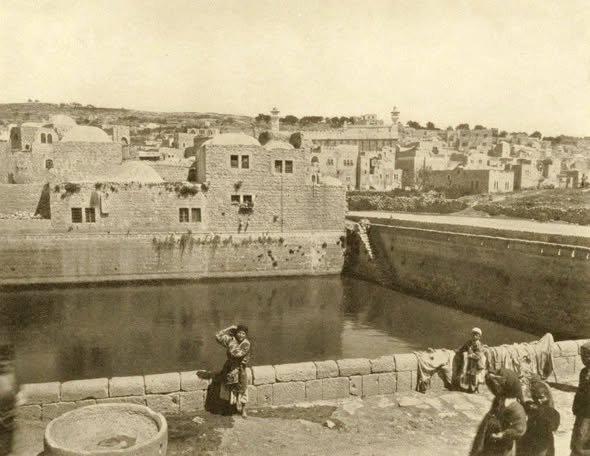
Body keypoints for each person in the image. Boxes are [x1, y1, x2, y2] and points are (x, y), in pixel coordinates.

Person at [470, 368, 527, 456]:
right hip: (489, 439)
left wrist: (503, 434)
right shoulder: (498, 399)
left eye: (500, 386)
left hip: (502, 445)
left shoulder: (516, 407)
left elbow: (520, 428)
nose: (497, 388)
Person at [516, 379, 560, 456]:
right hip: (529, 442)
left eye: (542, 397)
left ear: (547, 396)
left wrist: (539, 410)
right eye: (536, 398)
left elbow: (553, 427)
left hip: (542, 444)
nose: (539, 401)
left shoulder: (553, 413)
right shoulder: (530, 406)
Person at [215, 324, 251, 418]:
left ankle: (243, 409)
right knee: (226, 387)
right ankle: (227, 408)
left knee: (242, 388)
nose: (241, 335)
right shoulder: (232, 340)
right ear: (236, 333)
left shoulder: (246, 344)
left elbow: (236, 354)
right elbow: (218, 336)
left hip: (240, 369)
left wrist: (231, 341)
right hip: (229, 367)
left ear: (246, 335)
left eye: (243, 333)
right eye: (239, 333)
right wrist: (229, 328)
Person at [570, 341, 590, 455]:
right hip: (582, 411)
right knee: (578, 435)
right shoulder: (584, 372)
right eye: (582, 356)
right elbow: (580, 391)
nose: (583, 359)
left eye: (586, 356)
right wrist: (576, 406)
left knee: (583, 438)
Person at [456, 327, 486, 393]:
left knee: (476, 375)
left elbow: (479, 354)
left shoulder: (479, 344)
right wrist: (458, 350)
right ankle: (470, 387)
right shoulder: (468, 342)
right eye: (473, 334)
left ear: (479, 337)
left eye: (476, 335)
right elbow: (463, 348)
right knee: (469, 374)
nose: (474, 336)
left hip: (476, 362)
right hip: (470, 362)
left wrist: (471, 355)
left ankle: (476, 388)